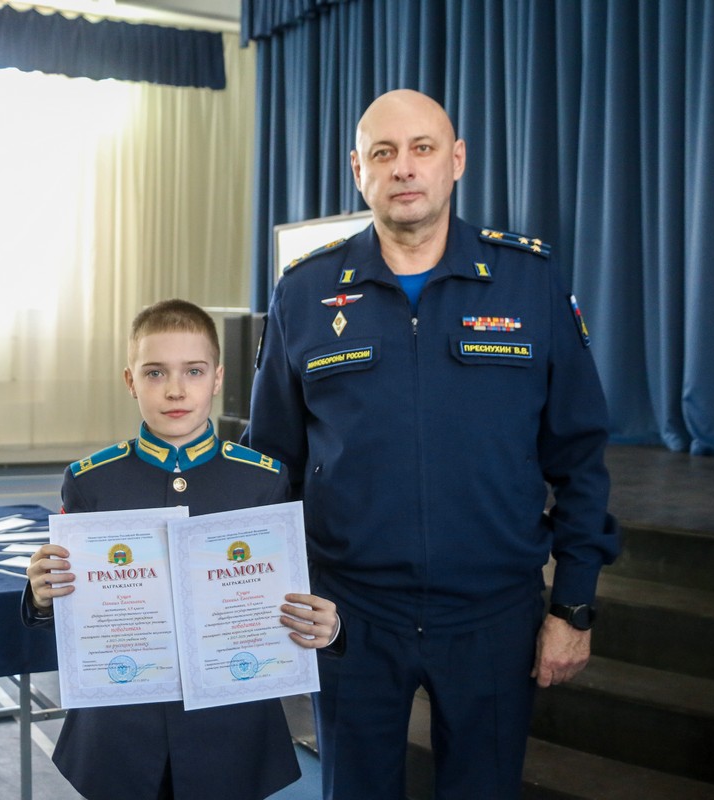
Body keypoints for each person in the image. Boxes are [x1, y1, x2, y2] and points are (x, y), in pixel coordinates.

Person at [244, 89, 621, 799]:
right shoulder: (304, 291)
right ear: (358, 169)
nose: (404, 167)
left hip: (493, 615)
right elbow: (269, 465)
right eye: (383, 153)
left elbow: (579, 457)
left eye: (423, 148)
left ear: (457, 160)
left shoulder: (528, 280)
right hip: (350, 615)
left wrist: (573, 606)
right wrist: (256, 595)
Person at [23, 299, 342, 800]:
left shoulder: (261, 480)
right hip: (122, 731)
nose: (175, 389)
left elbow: (289, 595)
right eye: (155, 373)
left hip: (231, 727)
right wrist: (44, 596)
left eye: (193, 371)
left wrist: (324, 623)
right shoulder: (92, 482)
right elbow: (77, 614)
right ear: (130, 381)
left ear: (217, 379)